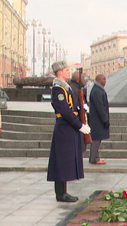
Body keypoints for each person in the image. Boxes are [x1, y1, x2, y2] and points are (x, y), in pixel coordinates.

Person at [47, 61, 91, 203]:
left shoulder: (66, 88)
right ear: (59, 72)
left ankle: (63, 192)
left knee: (65, 160)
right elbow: (65, 111)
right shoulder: (58, 89)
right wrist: (78, 125)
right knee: (62, 161)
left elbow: (74, 107)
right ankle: (61, 193)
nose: (69, 72)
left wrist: (82, 111)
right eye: (66, 70)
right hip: (64, 127)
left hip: (68, 127)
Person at [88, 74, 110, 165]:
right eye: (103, 79)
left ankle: (95, 157)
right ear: (98, 80)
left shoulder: (98, 89)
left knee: (97, 139)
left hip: (97, 119)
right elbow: (100, 107)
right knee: (96, 139)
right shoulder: (97, 91)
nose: (105, 81)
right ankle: (94, 158)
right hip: (97, 120)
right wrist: (105, 119)